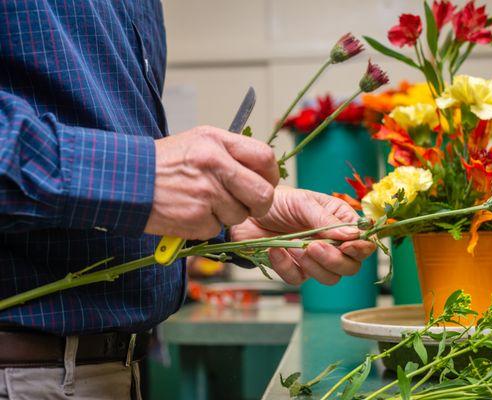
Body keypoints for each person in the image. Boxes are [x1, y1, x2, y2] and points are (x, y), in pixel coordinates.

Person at [0, 1, 376, 399]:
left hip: (109, 370)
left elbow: (114, 195)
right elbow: (139, 177)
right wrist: (143, 176)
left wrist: (233, 225)